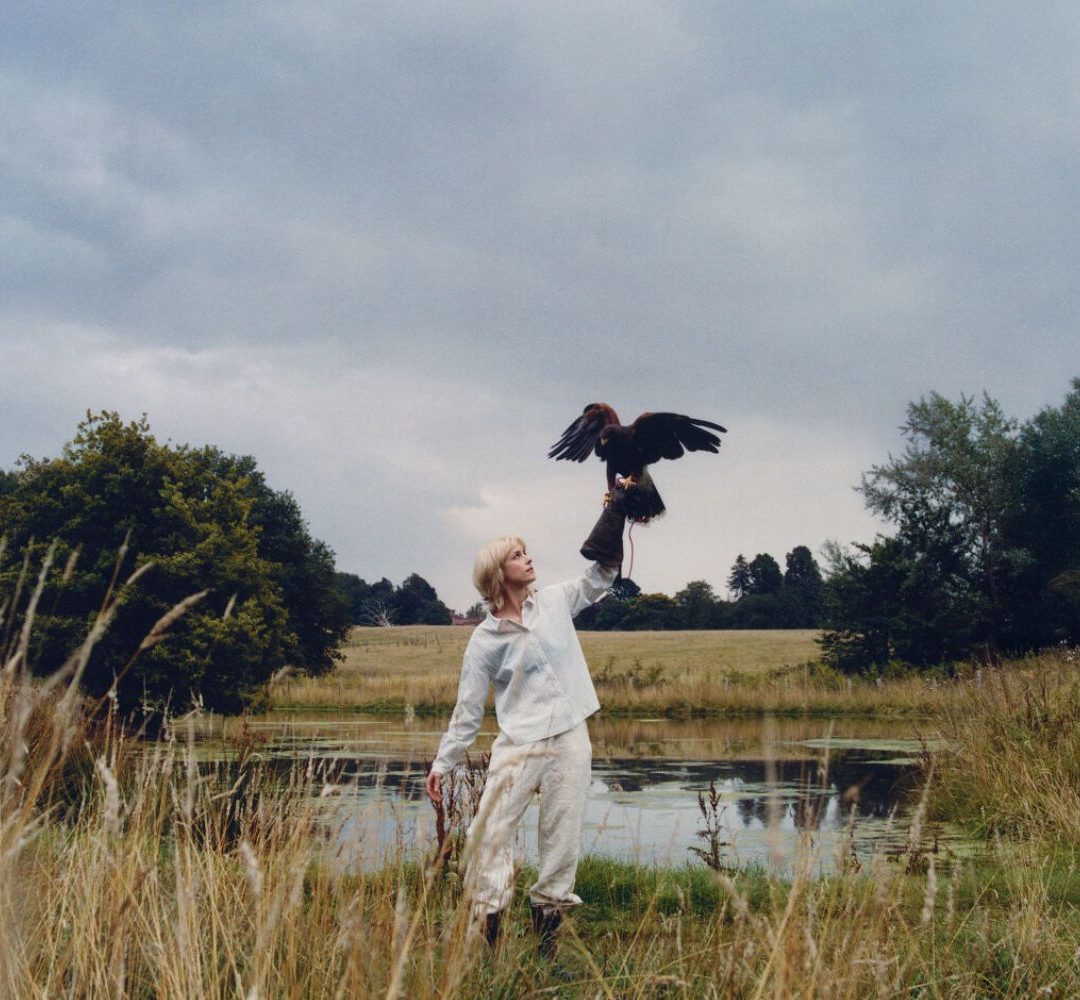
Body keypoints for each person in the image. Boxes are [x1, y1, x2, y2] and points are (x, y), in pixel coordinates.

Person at [424, 493, 628, 956]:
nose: (528, 558)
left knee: (561, 837)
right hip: (519, 745)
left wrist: (615, 512)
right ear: (498, 573)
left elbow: (599, 579)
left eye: (526, 551)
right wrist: (443, 764)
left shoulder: (554, 601)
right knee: (487, 835)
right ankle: (489, 943)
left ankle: (545, 952)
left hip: (571, 736)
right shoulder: (484, 641)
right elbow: (468, 711)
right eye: (517, 555)